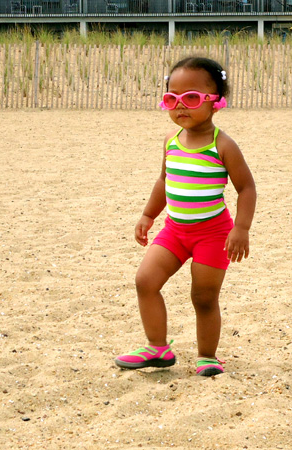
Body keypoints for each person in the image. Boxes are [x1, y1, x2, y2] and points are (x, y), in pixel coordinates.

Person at [115, 56, 256, 377]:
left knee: (203, 297)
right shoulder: (170, 141)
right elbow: (164, 181)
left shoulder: (223, 145)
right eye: (171, 98)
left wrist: (242, 228)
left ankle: (207, 356)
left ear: (215, 102)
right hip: (174, 231)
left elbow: (246, 188)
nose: (180, 105)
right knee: (145, 281)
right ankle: (157, 348)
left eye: (191, 98)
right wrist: (148, 215)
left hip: (214, 234)